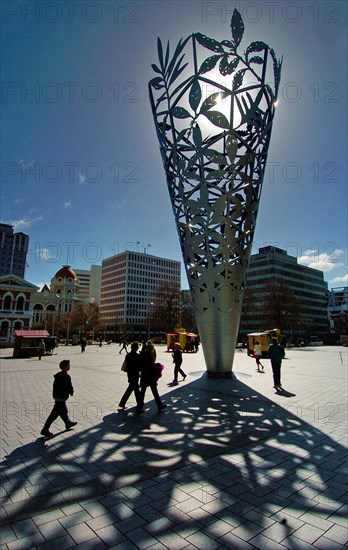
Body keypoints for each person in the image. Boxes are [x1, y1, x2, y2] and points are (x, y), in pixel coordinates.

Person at [40, 359, 77, 437]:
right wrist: (71, 392)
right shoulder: (66, 376)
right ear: (65, 367)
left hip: (57, 396)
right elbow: (69, 386)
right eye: (68, 365)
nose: (70, 366)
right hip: (61, 397)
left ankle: (68, 423)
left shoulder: (58, 375)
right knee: (54, 414)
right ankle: (45, 429)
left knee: (64, 411)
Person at [138, 341, 166, 413]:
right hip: (150, 377)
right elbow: (150, 366)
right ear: (151, 349)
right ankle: (159, 405)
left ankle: (139, 408)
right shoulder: (148, 355)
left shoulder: (142, 354)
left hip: (144, 376)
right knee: (154, 392)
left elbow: (141, 365)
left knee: (142, 393)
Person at [118, 341, 143, 413]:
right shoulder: (137, 356)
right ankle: (139, 404)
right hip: (135, 374)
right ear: (136, 347)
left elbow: (127, 364)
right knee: (133, 389)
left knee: (134, 389)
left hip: (130, 374)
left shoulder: (128, 355)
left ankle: (138, 404)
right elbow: (139, 365)